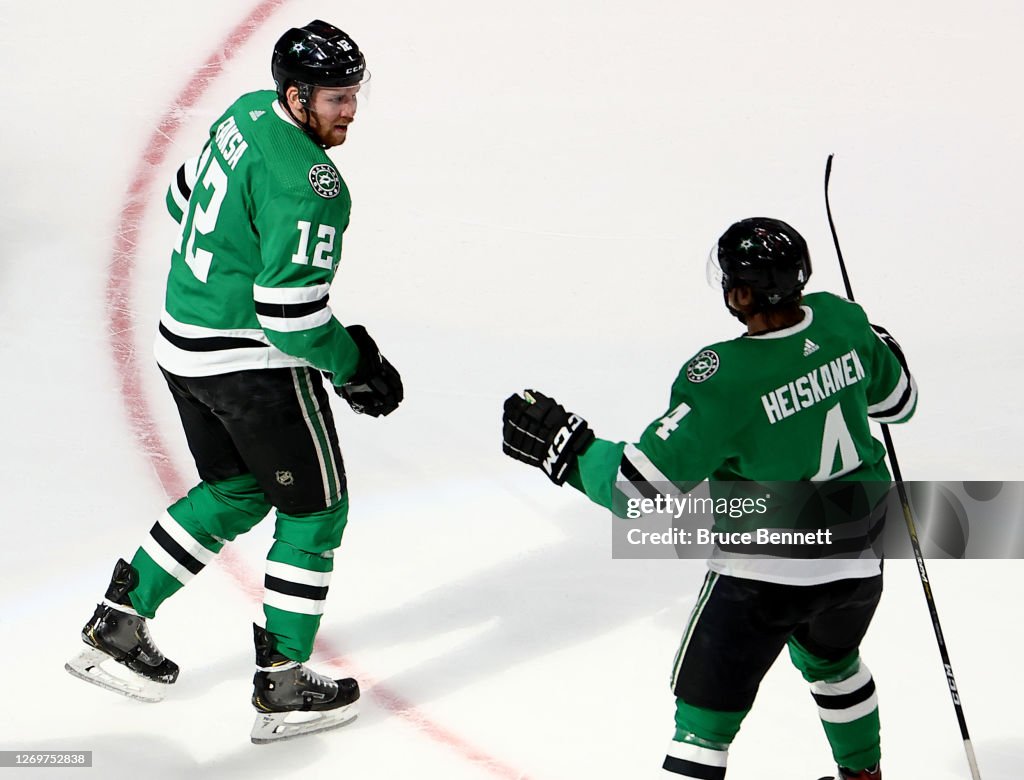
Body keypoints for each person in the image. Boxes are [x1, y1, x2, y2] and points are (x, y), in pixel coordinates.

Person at [66, 20, 403, 744]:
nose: (349, 111)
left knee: (236, 490)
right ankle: (282, 684)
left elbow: (181, 200)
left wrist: (228, 265)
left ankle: (117, 625)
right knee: (315, 514)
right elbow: (288, 317)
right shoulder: (315, 186)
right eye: (337, 98)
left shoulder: (245, 112)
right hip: (249, 366)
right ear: (298, 94)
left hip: (182, 346)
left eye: (353, 95)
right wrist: (357, 368)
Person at [501, 217, 917, 780]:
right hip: (862, 547)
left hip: (768, 568)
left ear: (741, 292)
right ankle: (864, 775)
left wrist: (569, 449)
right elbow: (900, 403)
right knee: (834, 661)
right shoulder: (843, 320)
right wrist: (878, 344)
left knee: (705, 720)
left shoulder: (722, 377)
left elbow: (639, 487)